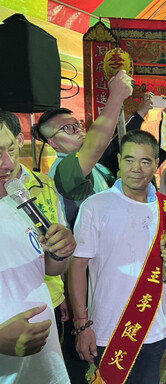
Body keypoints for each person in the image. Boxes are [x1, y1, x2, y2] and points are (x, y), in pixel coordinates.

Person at [68, 130, 166, 383]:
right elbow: (77, 268)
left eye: (145, 161)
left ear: (155, 165)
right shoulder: (96, 206)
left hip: (154, 326)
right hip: (108, 329)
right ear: (119, 160)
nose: (137, 168)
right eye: (129, 160)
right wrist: (82, 324)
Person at [0, 117, 76, 383]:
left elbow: (46, 269)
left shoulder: (20, 200)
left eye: (10, 149)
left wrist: (60, 252)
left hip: (44, 365)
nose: (8, 164)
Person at [32, 69, 133, 227]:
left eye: (76, 124)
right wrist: (116, 97)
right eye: (67, 128)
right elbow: (95, 146)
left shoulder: (96, 166)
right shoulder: (63, 169)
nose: (77, 129)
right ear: (52, 142)